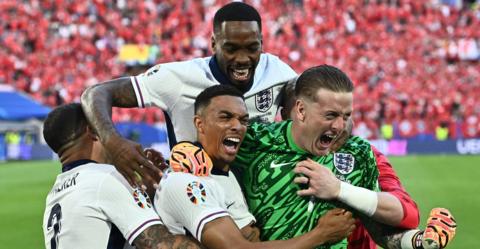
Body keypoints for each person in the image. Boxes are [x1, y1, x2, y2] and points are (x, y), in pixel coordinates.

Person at [232, 65, 456, 249]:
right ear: (300, 111)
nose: (340, 126)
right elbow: (208, 157)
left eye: (346, 115)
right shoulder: (254, 141)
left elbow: (387, 225)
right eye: (330, 115)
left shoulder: (358, 153)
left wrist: (421, 243)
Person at [80, 2, 297, 184]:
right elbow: (96, 93)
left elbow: (306, 110)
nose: (242, 59)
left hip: (256, 201)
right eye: (231, 49)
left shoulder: (276, 71)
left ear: (261, 43)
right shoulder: (177, 77)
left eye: (252, 48)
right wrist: (113, 142)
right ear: (213, 44)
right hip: (197, 201)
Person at [154, 85, 356, 249]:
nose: (237, 126)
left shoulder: (232, 171)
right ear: (199, 124)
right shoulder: (186, 181)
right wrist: (321, 235)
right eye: (225, 117)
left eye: (243, 120)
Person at [41, 103, 202, 249]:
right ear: (92, 130)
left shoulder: (54, 195)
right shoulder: (105, 177)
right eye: (107, 127)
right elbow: (161, 245)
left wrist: (150, 195)